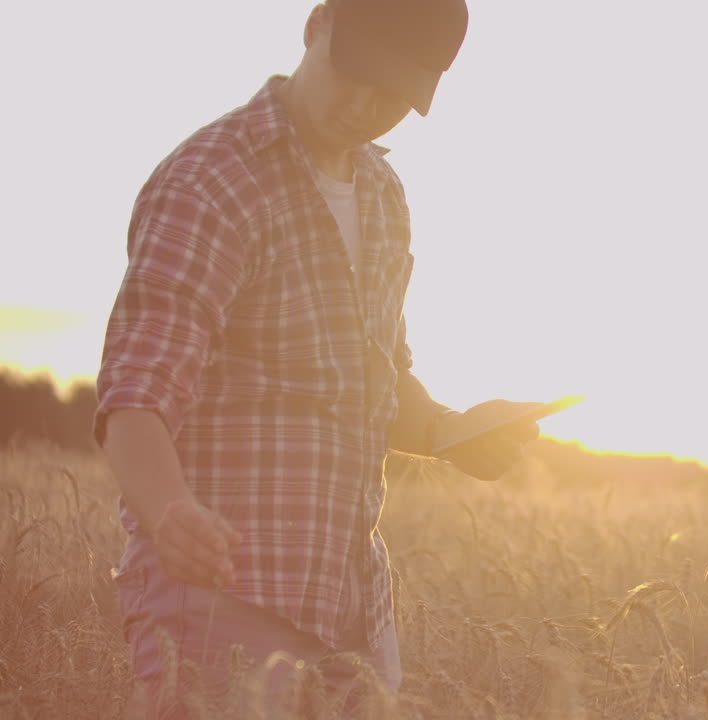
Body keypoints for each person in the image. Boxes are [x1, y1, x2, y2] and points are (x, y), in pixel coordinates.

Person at [94, 0, 540, 715]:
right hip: (223, 603)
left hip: (354, 610)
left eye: (394, 95)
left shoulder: (384, 194)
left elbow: (378, 381)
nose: (365, 106)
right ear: (316, 26)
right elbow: (135, 390)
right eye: (356, 73)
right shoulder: (210, 182)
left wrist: (451, 431)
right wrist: (168, 509)